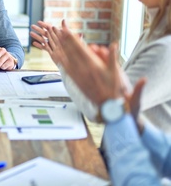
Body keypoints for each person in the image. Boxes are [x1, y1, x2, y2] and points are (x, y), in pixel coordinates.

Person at [30, 0, 171, 131]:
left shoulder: (165, 51)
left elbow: (102, 110)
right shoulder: (153, 34)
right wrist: (77, 59)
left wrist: (66, 62)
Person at [53, 22, 169, 185]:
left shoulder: (166, 51)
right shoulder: (151, 35)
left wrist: (114, 110)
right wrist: (136, 124)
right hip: (116, 160)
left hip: (123, 166)